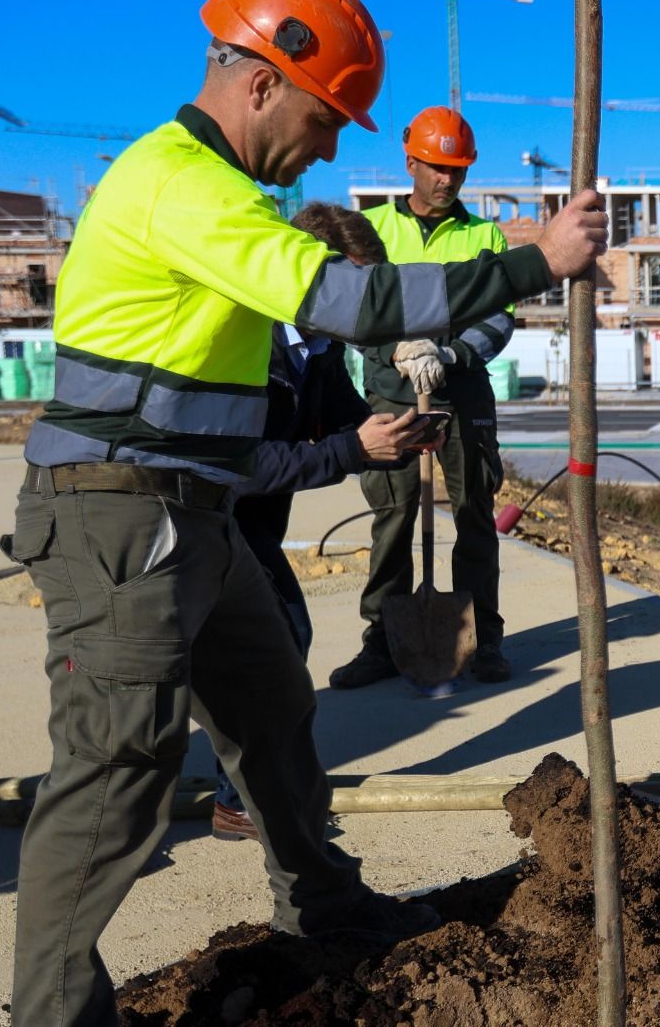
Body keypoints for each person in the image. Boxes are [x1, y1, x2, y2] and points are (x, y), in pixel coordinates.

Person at [1, 0, 605, 1024]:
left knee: (273, 708)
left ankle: (322, 907)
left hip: (190, 509)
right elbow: (342, 296)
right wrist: (529, 263)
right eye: (327, 119)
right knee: (117, 778)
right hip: (118, 514)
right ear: (262, 83)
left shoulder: (216, 188)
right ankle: (54, 1011)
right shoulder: (183, 184)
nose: (330, 148)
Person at [211, 202, 422, 841]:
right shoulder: (246, 341)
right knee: (269, 645)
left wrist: (401, 432)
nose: (366, 307)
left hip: (248, 527)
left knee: (268, 647)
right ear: (311, 276)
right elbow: (240, 465)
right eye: (355, 289)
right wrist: (355, 449)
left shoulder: (322, 345)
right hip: (202, 519)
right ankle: (242, 797)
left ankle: (243, 795)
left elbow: (336, 413)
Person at [332, 107, 516, 689]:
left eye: (457, 170)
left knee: (474, 516)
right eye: (437, 167)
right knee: (393, 515)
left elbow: (499, 317)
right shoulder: (373, 229)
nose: (447, 180)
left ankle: (483, 640)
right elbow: (347, 310)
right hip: (391, 390)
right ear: (410, 161)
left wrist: (452, 355)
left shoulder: (484, 234)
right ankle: (381, 642)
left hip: (462, 389)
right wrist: (395, 352)